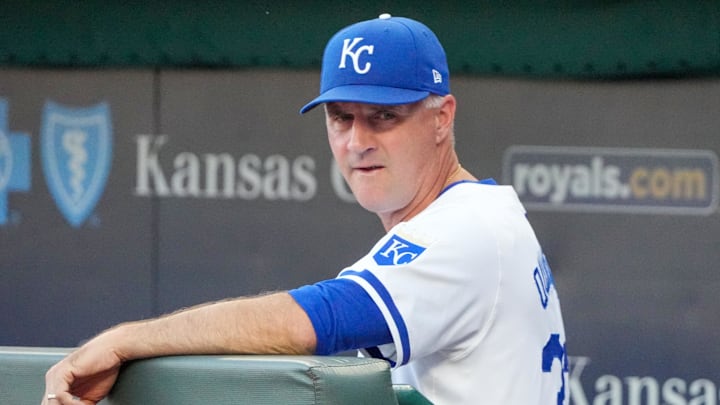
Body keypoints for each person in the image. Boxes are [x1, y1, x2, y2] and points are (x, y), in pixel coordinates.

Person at [43, 14, 567, 405]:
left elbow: (318, 320)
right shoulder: (478, 217)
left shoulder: (465, 230)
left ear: (441, 117)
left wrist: (125, 340)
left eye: (384, 115)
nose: (357, 140)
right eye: (341, 117)